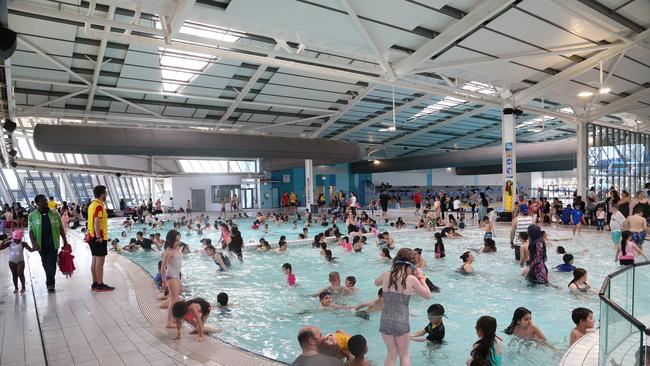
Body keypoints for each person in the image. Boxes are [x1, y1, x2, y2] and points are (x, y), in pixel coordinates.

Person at [374, 248, 432, 366]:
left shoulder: (386, 275)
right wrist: (421, 278)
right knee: (404, 354)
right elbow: (428, 295)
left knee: (391, 353)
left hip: (385, 320)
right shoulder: (411, 279)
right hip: (401, 321)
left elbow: (376, 282)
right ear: (412, 264)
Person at [28, 194, 70, 293]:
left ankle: (50, 283)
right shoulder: (32, 216)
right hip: (40, 245)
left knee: (51, 263)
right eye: (43, 201)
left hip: (53, 243)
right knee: (45, 263)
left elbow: (60, 228)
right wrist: (34, 243)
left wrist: (65, 241)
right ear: (37, 203)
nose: (46, 203)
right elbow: (30, 231)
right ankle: (49, 279)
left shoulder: (55, 214)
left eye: (46, 201)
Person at [86, 186, 114, 292]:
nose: (106, 195)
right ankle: (100, 285)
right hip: (98, 237)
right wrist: (99, 237)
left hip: (91, 236)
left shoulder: (91, 205)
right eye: (105, 193)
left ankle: (95, 283)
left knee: (94, 260)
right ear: (102, 194)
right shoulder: (99, 206)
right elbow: (97, 221)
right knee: (100, 261)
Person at [162, 230, 183, 329]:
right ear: (170, 241)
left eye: (179, 240)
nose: (178, 242)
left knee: (176, 299)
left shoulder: (177, 248)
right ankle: (169, 322)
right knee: (173, 299)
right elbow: (163, 267)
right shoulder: (169, 252)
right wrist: (163, 280)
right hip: (171, 277)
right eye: (176, 241)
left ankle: (174, 318)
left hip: (176, 276)